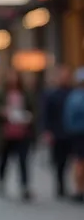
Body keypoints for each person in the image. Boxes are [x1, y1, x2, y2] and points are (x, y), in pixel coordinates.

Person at [0, 69, 35, 201]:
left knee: (23, 161)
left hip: (22, 133)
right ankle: (1, 183)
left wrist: (29, 117)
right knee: (3, 160)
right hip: (5, 133)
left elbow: (33, 109)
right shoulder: (0, 93)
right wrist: (1, 112)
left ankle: (25, 186)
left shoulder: (25, 93)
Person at [42, 64, 73, 198]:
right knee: (59, 161)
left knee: (72, 161)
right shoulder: (52, 95)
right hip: (58, 132)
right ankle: (60, 186)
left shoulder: (73, 93)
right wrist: (47, 131)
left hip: (72, 132)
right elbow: (46, 114)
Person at [63, 67, 84, 203]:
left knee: (78, 162)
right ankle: (79, 189)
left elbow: (68, 118)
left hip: (77, 134)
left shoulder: (73, 96)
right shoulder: (76, 97)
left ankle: (79, 189)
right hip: (79, 134)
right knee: (79, 163)